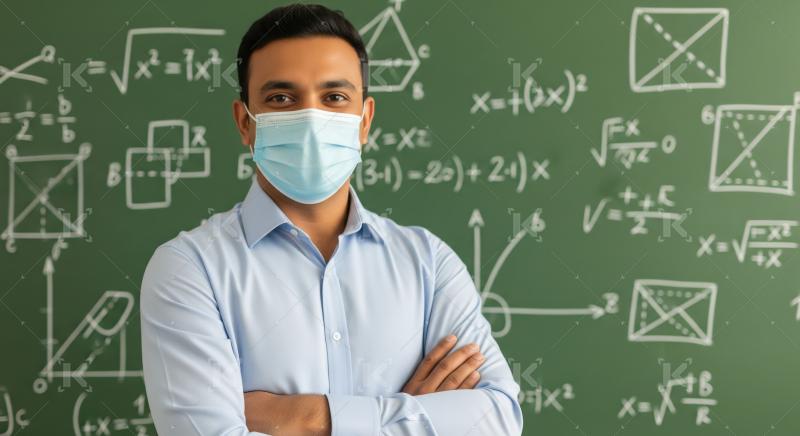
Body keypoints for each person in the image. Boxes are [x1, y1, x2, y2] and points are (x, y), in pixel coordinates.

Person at [140, 4, 523, 435]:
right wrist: (408, 414)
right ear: (245, 123)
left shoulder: (428, 264)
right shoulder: (190, 270)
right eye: (281, 98)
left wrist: (304, 418)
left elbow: (498, 421)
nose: (311, 119)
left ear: (365, 121)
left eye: (335, 97)